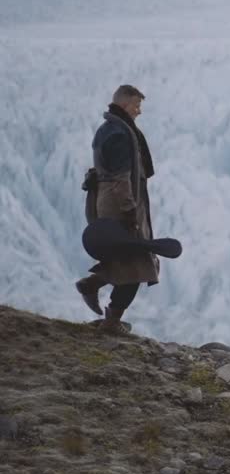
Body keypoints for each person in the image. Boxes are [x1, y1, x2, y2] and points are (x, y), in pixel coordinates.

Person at [75, 85, 160, 333]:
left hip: (111, 204)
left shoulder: (110, 129)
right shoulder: (120, 135)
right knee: (137, 266)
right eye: (136, 105)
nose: (139, 111)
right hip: (119, 207)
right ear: (124, 105)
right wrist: (130, 211)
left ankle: (92, 285)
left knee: (124, 261)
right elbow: (121, 178)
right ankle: (111, 321)